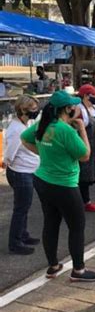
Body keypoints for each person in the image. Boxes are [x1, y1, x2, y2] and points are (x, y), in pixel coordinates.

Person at [21, 91, 95, 282]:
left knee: (51, 222)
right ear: (67, 109)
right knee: (77, 225)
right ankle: (79, 270)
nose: (76, 108)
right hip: (64, 184)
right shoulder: (66, 130)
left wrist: (43, 153)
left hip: (43, 180)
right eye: (73, 105)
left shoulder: (44, 124)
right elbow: (85, 155)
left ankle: (53, 266)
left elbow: (25, 139)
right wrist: (82, 129)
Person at [4, 95, 40, 255]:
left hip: (27, 171)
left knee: (24, 207)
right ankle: (15, 242)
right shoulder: (16, 129)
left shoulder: (26, 124)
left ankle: (22, 235)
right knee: (21, 208)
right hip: (21, 172)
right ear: (23, 110)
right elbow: (9, 155)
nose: (36, 111)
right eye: (33, 109)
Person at [78, 84, 95, 213]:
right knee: (83, 175)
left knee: (91, 174)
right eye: (94, 94)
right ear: (86, 96)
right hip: (85, 144)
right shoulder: (79, 109)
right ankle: (84, 202)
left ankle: (84, 200)